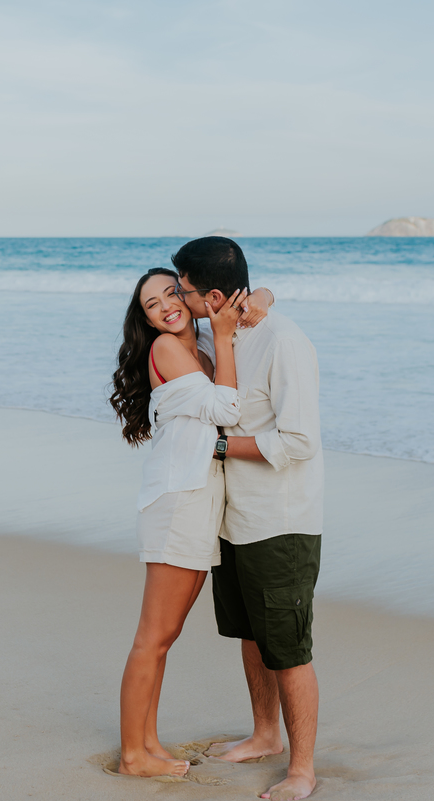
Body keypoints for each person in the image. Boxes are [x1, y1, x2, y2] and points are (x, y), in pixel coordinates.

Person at [171, 237, 323, 801]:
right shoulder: (217, 331)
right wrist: (263, 293)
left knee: (287, 646)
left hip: (281, 521)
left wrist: (217, 448)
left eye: (182, 288)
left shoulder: (284, 342)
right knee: (250, 634)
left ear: (210, 294)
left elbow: (300, 440)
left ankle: (302, 769)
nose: (177, 297)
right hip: (232, 516)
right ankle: (265, 735)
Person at [108, 267, 270, 777]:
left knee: (165, 636)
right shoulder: (167, 350)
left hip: (194, 502)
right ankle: (134, 755)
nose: (164, 306)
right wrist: (223, 336)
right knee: (152, 637)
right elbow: (226, 405)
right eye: (151, 304)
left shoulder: (196, 341)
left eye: (171, 294)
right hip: (178, 503)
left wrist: (261, 295)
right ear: (146, 318)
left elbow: (252, 299)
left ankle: (148, 743)